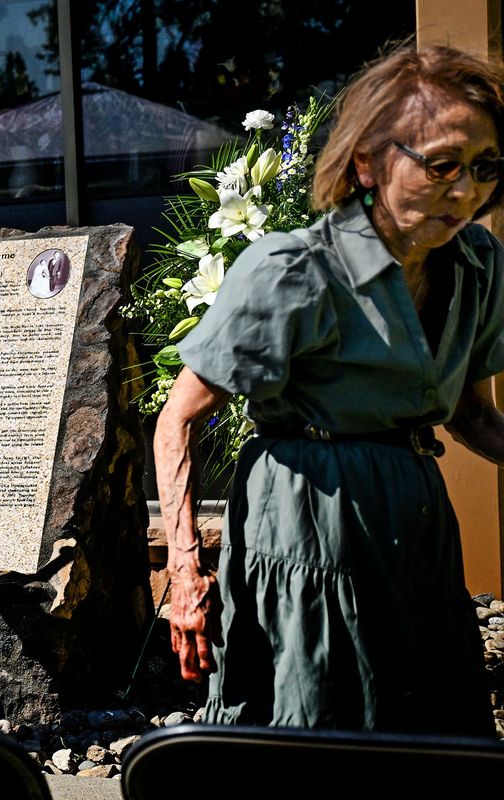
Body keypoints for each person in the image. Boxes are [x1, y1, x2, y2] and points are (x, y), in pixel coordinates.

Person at [155, 45, 504, 737]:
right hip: (308, 531)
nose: (465, 190)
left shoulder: (478, 266)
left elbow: (471, 415)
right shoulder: (295, 272)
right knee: (317, 728)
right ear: (368, 161)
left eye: (485, 167)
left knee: (433, 734)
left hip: (416, 527)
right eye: (441, 165)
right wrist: (186, 573)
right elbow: (179, 419)